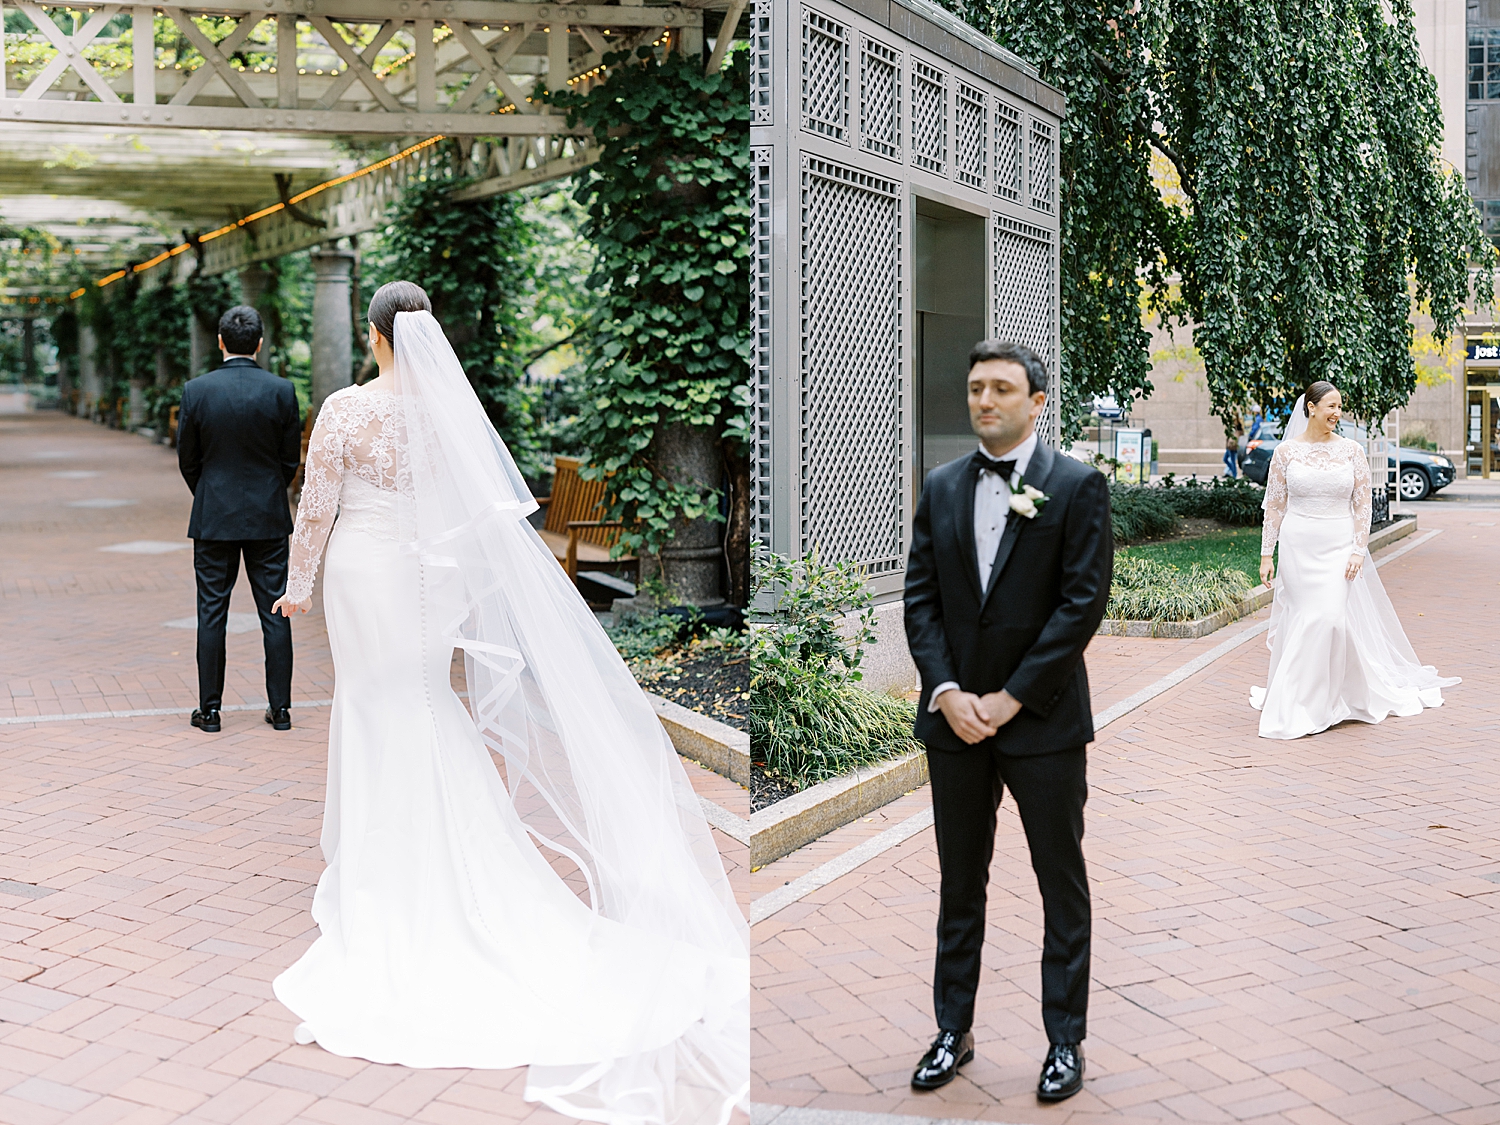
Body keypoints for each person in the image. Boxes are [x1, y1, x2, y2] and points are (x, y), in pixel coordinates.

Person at [268, 282, 746, 1125]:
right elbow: (471, 512)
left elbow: (318, 505)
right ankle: (442, 857)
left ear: (377, 335)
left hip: (363, 572)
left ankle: (381, 873)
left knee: (375, 707)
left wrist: (296, 589)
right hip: (426, 577)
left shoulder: (347, 408)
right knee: (426, 702)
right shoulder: (449, 411)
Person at [903, 340, 1113, 1103]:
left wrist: (1013, 696)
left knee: (1061, 882)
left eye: (1000, 388)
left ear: (1037, 401)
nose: (983, 400)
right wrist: (948, 690)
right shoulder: (941, 485)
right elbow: (920, 599)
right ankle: (951, 1029)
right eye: (975, 387)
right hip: (955, 726)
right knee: (961, 882)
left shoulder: (1078, 485)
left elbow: (1080, 604)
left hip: (1045, 722)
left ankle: (1065, 1040)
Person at [1252, 381, 1459, 739]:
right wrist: (1267, 553)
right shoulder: (1285, 453)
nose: (1337, 413)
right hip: (1298, 545)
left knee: (1330, 619)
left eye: (1340, 406)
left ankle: (1330, 698)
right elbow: (1275, 506)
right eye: (1330, 406)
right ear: (1311, 408)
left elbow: (1363, 504)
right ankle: (1300, 701)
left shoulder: (1351, 451)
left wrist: (1357, 549)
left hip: (1338, 544)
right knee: (1304, 619)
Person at [176, 305, 302, 734]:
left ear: (220, 341)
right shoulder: (282, 390)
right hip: (268, 516)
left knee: (211, 613)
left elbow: (187, 460)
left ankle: (209, 712)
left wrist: (210, 493)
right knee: (275, 613)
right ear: (260, 343)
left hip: (213, 518)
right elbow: (289, 461)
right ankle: (280, 710)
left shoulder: (197, 390)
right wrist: (269, 491)